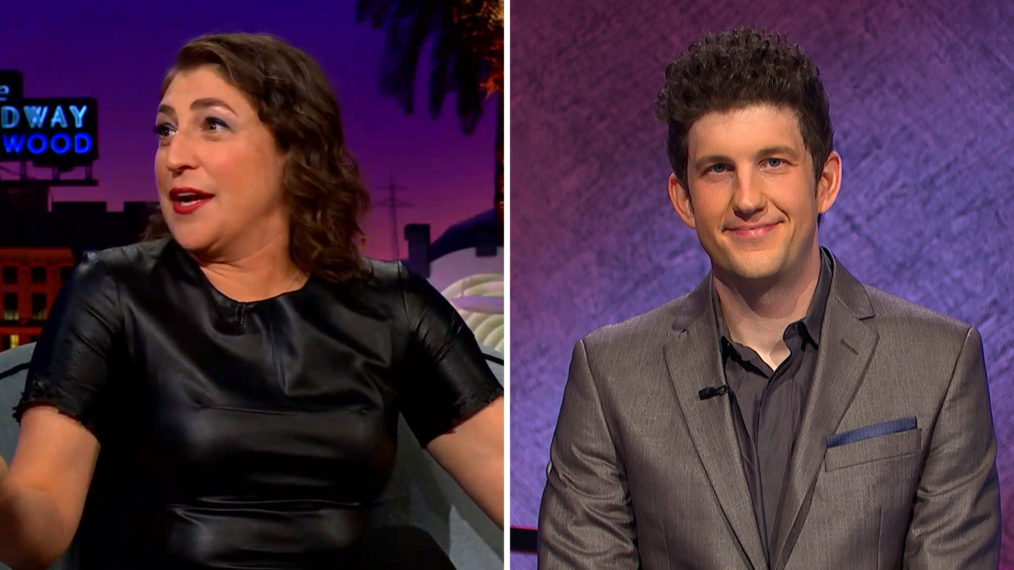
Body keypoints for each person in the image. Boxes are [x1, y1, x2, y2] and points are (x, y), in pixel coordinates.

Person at [0, 33, 503, 569]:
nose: (175, 156)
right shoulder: (112, 290)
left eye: (212, 125)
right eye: (166, 130)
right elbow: (33, 536)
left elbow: (522, 483)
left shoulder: (393, 304)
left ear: (294, 149)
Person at [538, 27, 999, 569]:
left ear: (825, 181)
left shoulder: (938, 364)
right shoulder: (610, 376)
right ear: (683, 199)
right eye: (718, 169)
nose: (748, 198)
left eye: (773, 162)